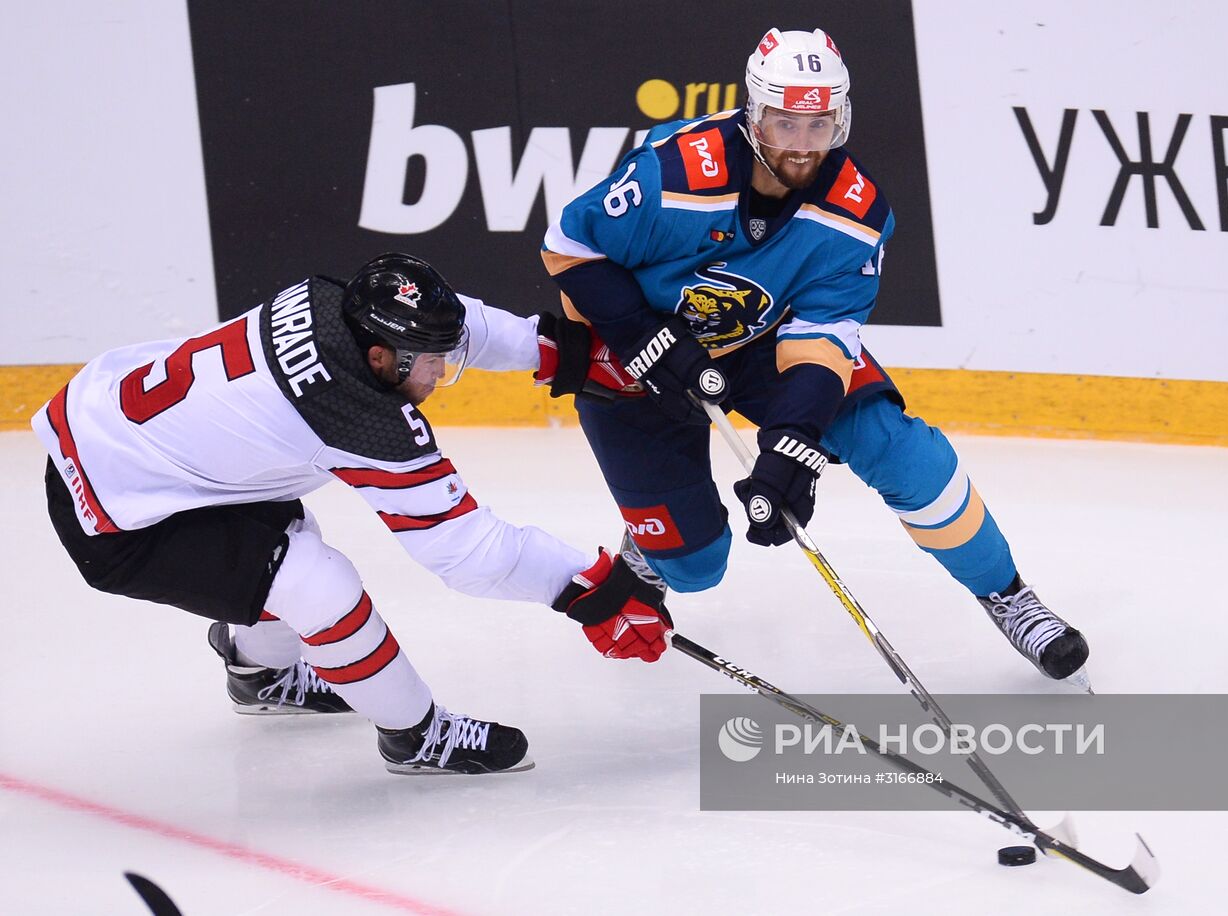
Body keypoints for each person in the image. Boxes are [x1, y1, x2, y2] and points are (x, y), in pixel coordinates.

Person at [536, 28, 1090, 683]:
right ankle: (654, 550)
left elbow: (823, 341)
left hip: (761, 344)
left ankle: (1007, 593)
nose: (802, 145)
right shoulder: (676, 172)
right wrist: (642, 339)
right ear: (754, 113)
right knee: (696, 567)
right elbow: (568, 244)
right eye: (785, 123)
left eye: (819, 124)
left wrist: (790, 448)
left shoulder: (856, 216)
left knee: (902, 450)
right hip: (631, 363)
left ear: (841, 117)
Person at [35, 253, 674, 776]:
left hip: (121, 435)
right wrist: (588, 586)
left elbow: (450, 326)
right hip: (117, 518)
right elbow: (465, 552)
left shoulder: (337, 302)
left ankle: (258, 670)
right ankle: (415, 737)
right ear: (378, 361)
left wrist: (558, 352)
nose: (442, 371)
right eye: (431, 366)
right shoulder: (356, 414)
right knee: (317, 585)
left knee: (283, 538)